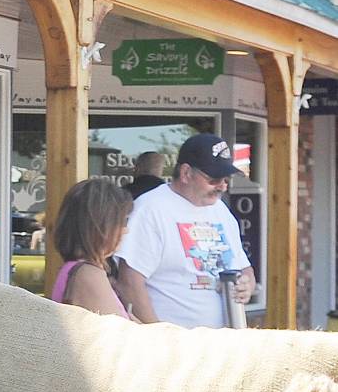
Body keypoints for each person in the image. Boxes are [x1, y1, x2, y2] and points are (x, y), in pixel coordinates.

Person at [114, 133, 256, 328]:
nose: (222, 186)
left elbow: (243, 266)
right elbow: (130, 282)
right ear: (186, 173)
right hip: (173, 349)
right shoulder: (151, 209)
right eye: (214, 179)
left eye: (226, 179)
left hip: (223, 346)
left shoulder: (221, 211)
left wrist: (247, 284)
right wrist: (158, 335)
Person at [51, 177, 134, 319]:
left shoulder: (77, 269)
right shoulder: (88, 274)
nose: (125, 230)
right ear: (102, 226)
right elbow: (118, 335)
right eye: (121, 222)